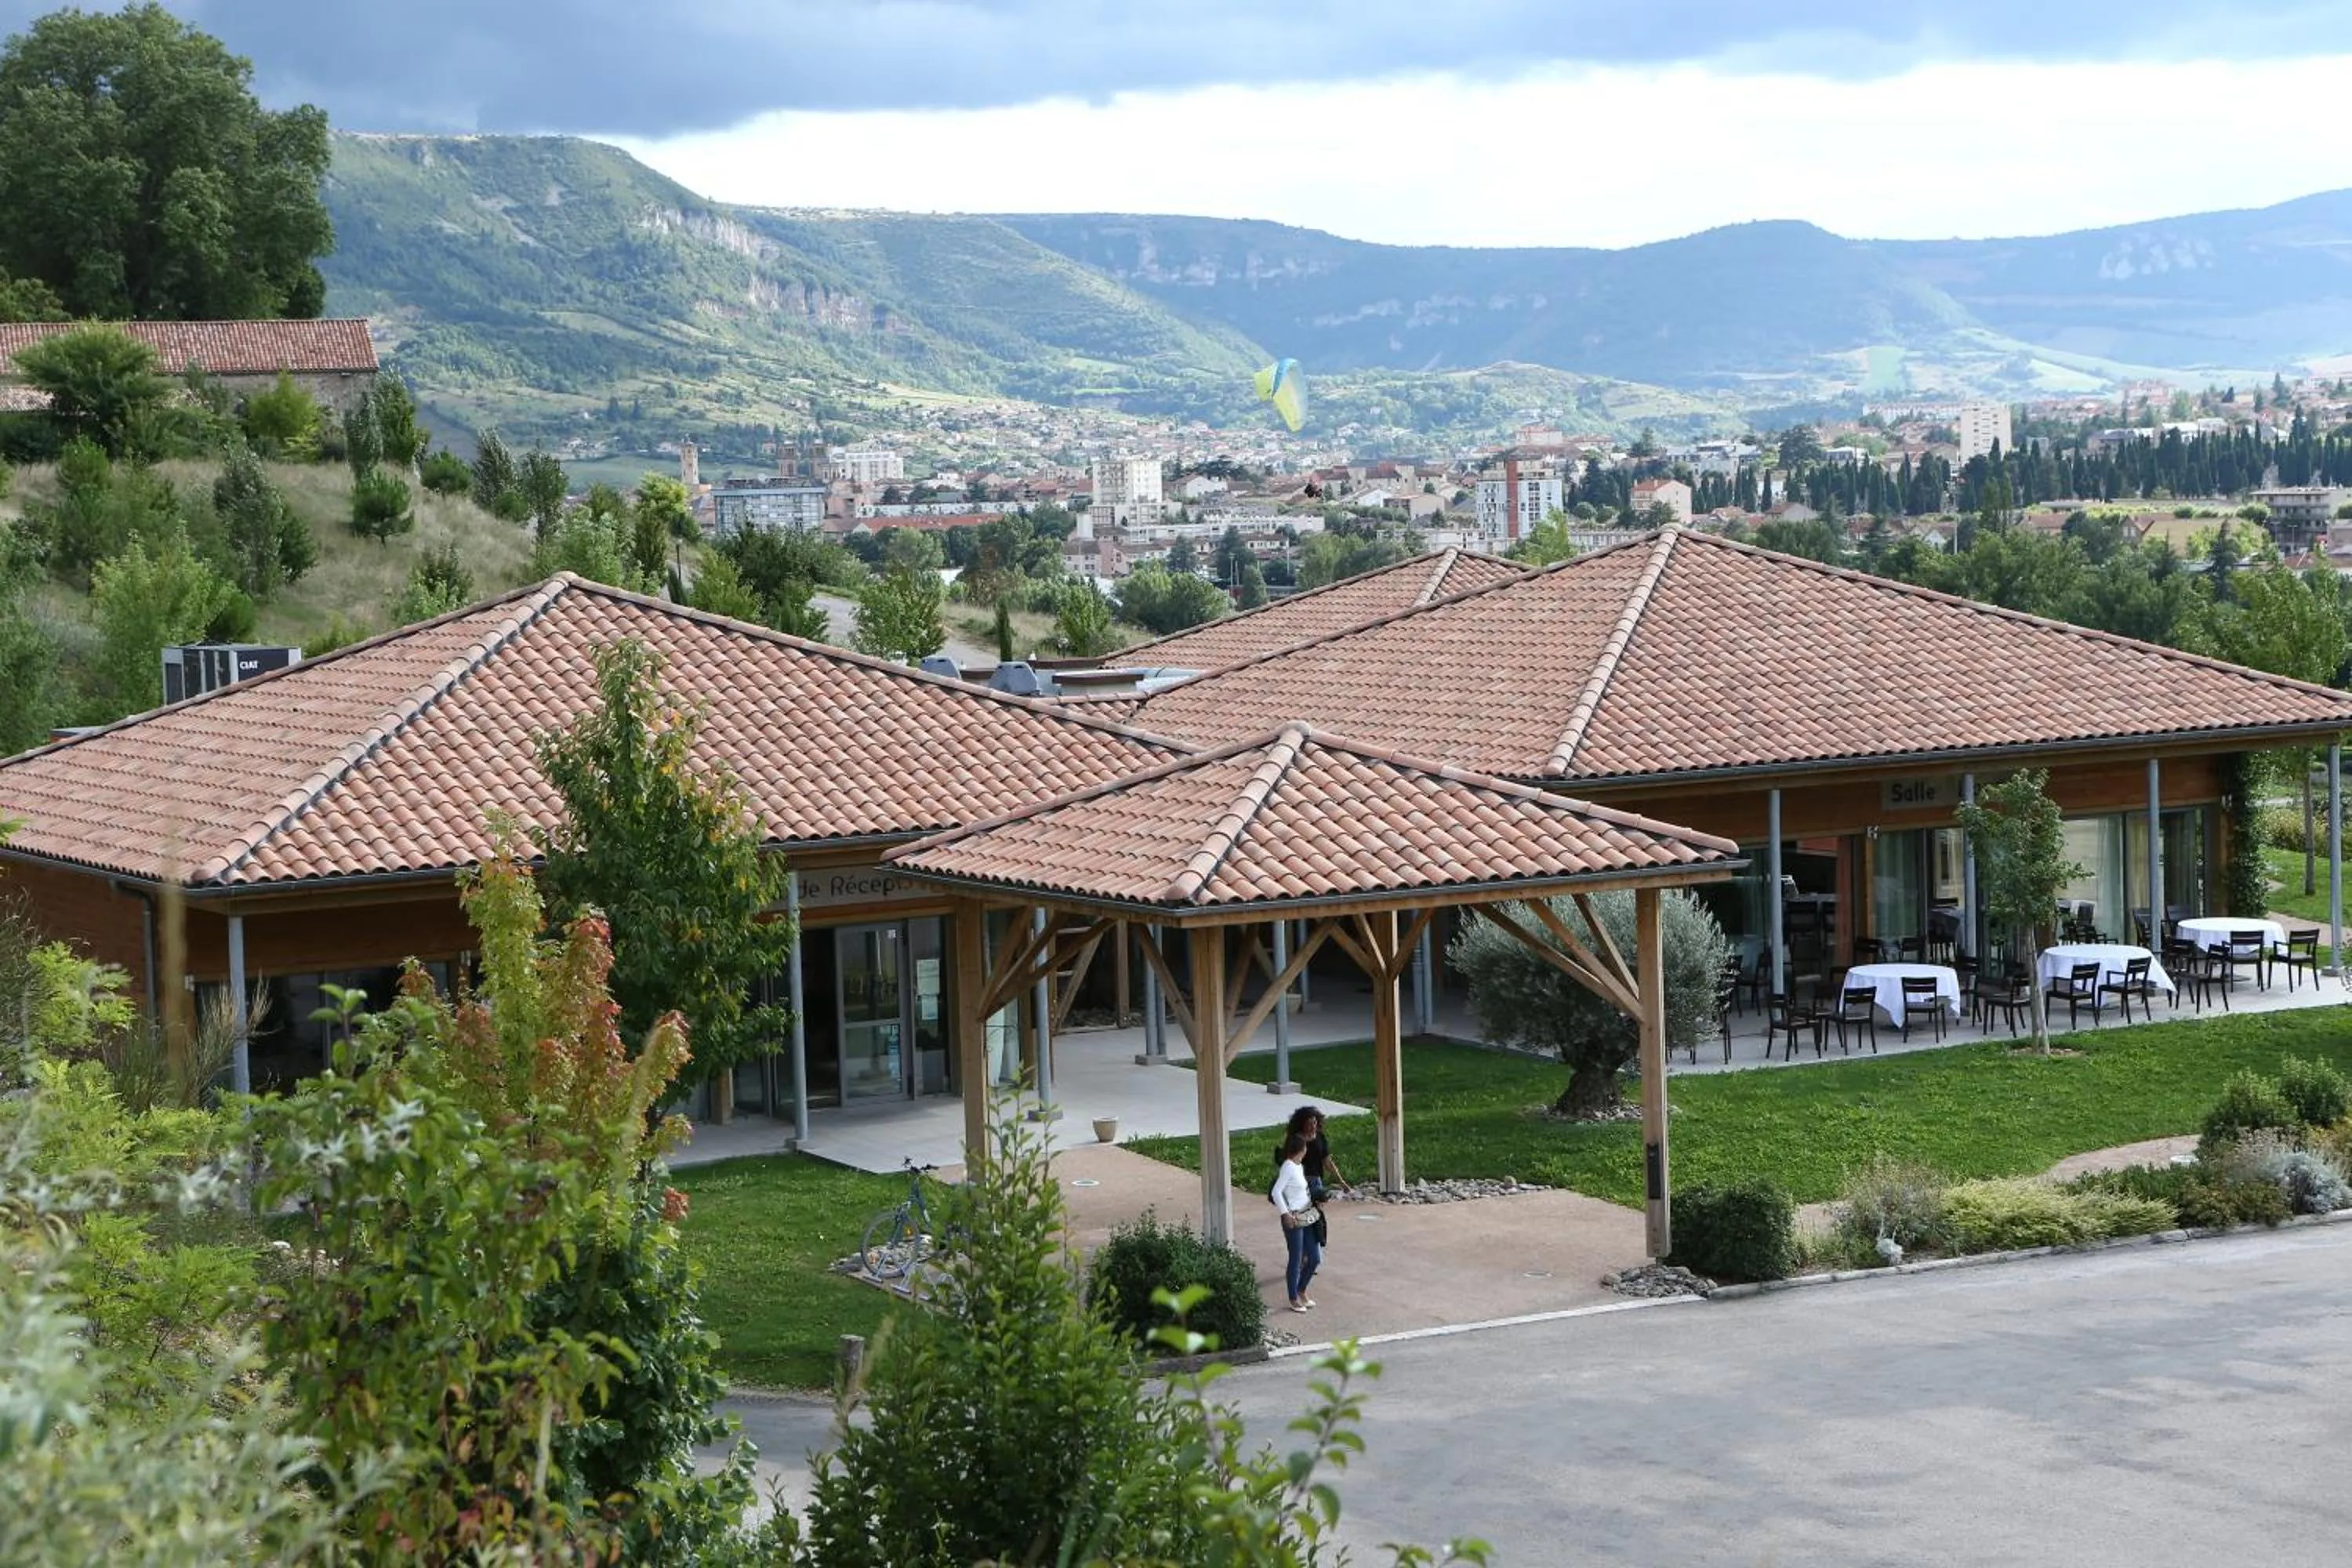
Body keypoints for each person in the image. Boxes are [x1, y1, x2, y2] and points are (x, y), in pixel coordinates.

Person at [1270, 1131, 1321, 1312]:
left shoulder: (1299, 1167)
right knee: (1296, 1258)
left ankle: (1302, 1289)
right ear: (1302, 1149)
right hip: (1293, 1218)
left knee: (1315, 1257)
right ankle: (1293, 1297)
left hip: (1306, 1215)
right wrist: (1285, 1214)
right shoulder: (1289, 1167)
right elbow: (1277, 1192)